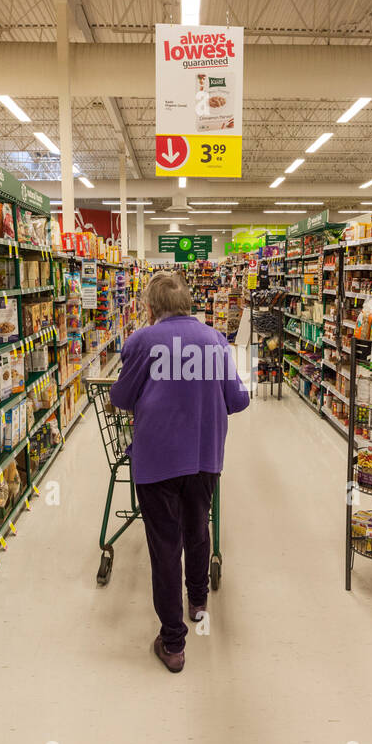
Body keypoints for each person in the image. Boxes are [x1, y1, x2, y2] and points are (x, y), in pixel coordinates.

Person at [110, 270, 250, 673]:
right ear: (188, 303)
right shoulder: (215, 341)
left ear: (151, 308)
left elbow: (121, 396)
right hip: (205, 457)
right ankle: (199, 600)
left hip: (156, 462)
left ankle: (173, 644)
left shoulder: (142, 341)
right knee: (198, 528)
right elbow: (237, 401)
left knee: (165, 546)